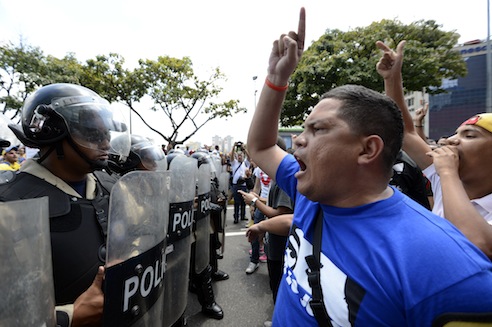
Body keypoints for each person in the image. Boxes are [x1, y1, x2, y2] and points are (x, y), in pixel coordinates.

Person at [246, 8, 492, 326]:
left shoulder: (445, 266)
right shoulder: (312, 191)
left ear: (368, 149)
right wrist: (277, 79)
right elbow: (261, 147)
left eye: (317, 130)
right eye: (303, 130)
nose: (298, 142)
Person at [0, 83, 130, 327]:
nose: (105, 142)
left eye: (106, 134)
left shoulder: (112, 185)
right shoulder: (9, 205)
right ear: (52, 133)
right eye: (92, 133)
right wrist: (68, 317)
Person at [377, 40, 492, 259]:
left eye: (469, 136)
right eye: (454, 134)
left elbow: (477, 245)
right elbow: (407, 133)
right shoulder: (446, 180)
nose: (450, 141)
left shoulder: (447, 177)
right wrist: (392, 79)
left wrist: (447, 173)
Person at [229, 141, 250, 223]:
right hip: (236, 185)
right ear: (237, 157)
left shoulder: (245, 163)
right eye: (238, 156)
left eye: (241, 155)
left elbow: (249, 157)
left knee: (243, 202)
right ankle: (236, 217)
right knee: (236, 202)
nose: (240, 157)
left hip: (243, 185)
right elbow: (231, 156)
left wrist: (244, 149)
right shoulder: (234, 163)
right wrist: (233, 146)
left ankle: (242, 216)